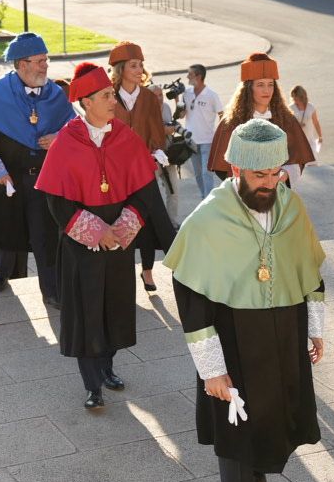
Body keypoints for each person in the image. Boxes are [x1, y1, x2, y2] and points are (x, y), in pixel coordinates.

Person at [166, 119, 327, 482]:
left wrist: (315, 327)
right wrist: (212, 369)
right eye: (260, 175)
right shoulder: (208, 221)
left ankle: (259, 476)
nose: (270, 183)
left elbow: (310, 268)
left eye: (277, 173)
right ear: (235, 168)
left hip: (284, 336)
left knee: (275, 418)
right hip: (233, 342)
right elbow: (191, 297)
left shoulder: (290, 205)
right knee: (235, 431)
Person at [40, 62, 177, 409]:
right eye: (105, 96)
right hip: (81, 244)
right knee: (87, 311)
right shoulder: (65, 142)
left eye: (112, 94)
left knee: (114, 307)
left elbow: (144, 194)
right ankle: (92, 385)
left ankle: (107, 367)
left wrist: (125, 226)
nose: (113, 100)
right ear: (86, 102)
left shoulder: (125, 137)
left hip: (119, 238)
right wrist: (95, 232)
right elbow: (56, 201)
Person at [0, 32, 75, 301]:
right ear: (21, 64)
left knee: (45, 236)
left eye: (46, 60)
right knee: (7, 227)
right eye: (40, 61)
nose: (45, 66)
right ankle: (0, 272)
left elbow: (75, 129)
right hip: (9, 180)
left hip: (43, 179)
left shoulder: (55, 94)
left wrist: (59, 138)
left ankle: (51, 292)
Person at [108, 42, 177, 293]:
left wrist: (156, 154)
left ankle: (174, 268)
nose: (140, 70)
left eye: (141, 65)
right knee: (134, 220)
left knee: (156, 216)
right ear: (121, 69)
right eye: (134, 66)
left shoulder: (148, 97)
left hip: (144, 170)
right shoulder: (109, 96)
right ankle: (137, 276)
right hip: (115, 175)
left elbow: (157, 133)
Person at [207, 54, 317, 185]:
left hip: (277, 192)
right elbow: (222, 167)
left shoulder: (286, 119)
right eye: (260, 85)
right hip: (244, 196)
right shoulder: (232, 121)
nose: (267, 90)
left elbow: (298, 159)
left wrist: (285, 174)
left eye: (270, 84)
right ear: (248, 89)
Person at [182, 64, 225, 198]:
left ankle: (208, 199)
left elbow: (222, 114)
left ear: (199, 77)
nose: (187, 77)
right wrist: (178, 101)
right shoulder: (187, 93)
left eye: (190, 74)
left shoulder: (211, 95)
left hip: (207, 140)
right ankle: (204, 197)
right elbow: (182, 115)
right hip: (191, 141)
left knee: (207, 173)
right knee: (198, 173)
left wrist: (220, 135)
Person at [289, 85, 323, 156]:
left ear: (302, 96)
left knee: (312, 161)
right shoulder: (290, 108)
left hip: (309, 140)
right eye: (293, 97)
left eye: (296, 97)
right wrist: (297, 125)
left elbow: (316, 122)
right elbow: (288, 124)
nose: (294, 99)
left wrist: (320, 136)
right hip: (296, 140)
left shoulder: (310, 107)